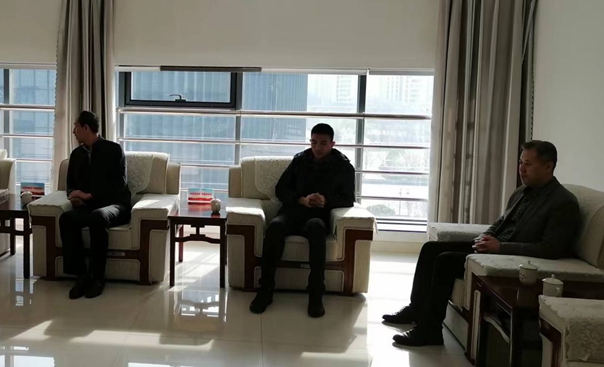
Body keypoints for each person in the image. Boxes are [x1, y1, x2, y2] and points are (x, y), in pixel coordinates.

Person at [384, 140, 581, 346]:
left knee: (446, 261)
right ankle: (415, 309)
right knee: (430, 249)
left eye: (528, 164)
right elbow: (501, 222)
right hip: (494, 248)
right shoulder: (522, 192)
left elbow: (550, 249)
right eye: (521, 163)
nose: (521, 169)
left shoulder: (563, 202)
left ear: (548, 166)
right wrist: (484, 237)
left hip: (511, 257)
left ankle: (430, 330)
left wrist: (500, 247)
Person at [249, 123, 356, 318]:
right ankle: (265, 289)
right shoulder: (300, 160)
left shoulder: (343, 166)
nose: (317, 147)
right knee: (275, 227)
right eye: (314, 142)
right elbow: (280, 189)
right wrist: (301, 199)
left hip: (318, 214)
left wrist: (326, 200)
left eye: (323, 143)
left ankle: (316, 293)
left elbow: (348, 198)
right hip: (293, 210)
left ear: (332, 144)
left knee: (316, 229)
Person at [59, 111, 131, 300]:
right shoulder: (76, 155)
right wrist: (74, 196)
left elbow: (118, 186)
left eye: (76, 127)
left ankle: (98, 278)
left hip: (115, 205)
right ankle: (81, 276)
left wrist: (89, 195)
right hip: (88, 206)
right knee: (67, 218)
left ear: (86, 127)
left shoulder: (114, 150)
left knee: (98, 217)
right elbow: (70, 185)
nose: (73, 132)